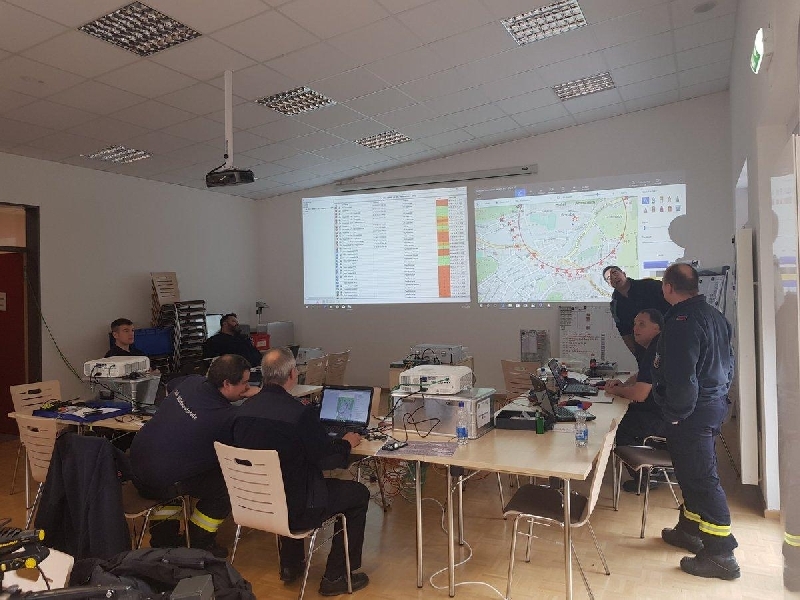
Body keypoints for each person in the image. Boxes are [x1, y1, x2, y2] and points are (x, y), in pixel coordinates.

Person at [229, 347, 371, 597]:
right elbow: (326, 459)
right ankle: (336, 577)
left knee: (287, 478)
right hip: (296, 509)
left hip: (253, 504)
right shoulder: (299, 413)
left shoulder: (241, 411)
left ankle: (291, 566)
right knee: (358, 493)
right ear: (293, 374)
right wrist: (346, 443)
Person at [652, 263, 739, 580]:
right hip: (712, 406)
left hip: (691, 413)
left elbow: (683, 377)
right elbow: (729, 365)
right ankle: (689, 530)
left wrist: (676, 414)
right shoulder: (715, 316)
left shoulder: (681, 323)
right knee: (690, 474)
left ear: (668, 287)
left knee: (702, 478)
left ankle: (721, 555)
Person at [129, 354, 257, 557]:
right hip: (163, 482)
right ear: (226, 383)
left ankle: (163, 539)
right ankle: (200, 540)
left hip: (135, 470)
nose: (247, 388)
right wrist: (258, 399)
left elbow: (171, 386)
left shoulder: (191, 382)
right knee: (229, 483)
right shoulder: (226, 416)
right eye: (244, 383)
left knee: (174, 465)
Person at [604, 308, 667, 493]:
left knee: (618, 425)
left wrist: (617, 391)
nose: (635, 329)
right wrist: (623, 385)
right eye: (634, 324)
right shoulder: (658, 346)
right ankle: (655, 469)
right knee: (625, 412)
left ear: (657, 328)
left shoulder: (656, 348)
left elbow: (639, 394)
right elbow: (642, 375)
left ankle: (645, 478)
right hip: (667, 414)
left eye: (642, 324)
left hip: (662, 418)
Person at [602, 265, 670, 356]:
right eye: (609, 278)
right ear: (609, 284)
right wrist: (635, 354)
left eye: (615, 273)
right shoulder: (615, 305)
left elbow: (672, 297)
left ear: (624, 274)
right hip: (644, 349)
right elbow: (624, 332)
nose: (613, 277)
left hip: (668, 336)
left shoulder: (649, 285)